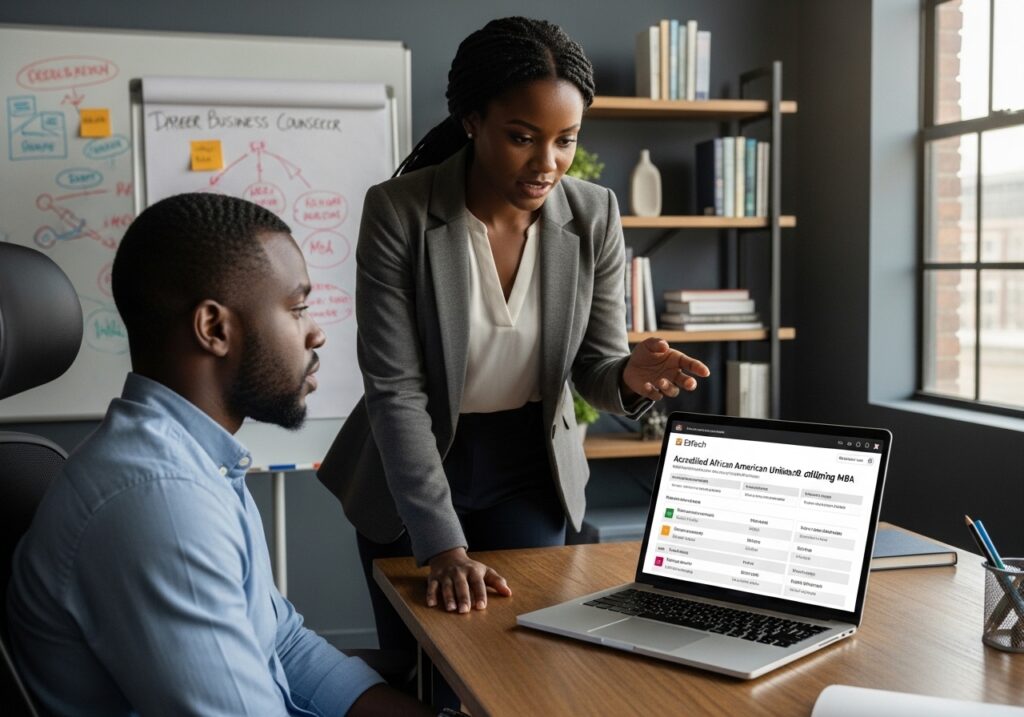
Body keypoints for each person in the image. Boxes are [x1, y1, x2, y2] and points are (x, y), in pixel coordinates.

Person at [318, 14, 709, 669]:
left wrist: (630, 377)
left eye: (565, 141)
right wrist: (442, 546)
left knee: (525, 668)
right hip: (412, 467)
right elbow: (396, 391)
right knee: (423, 673)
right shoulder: (399, 213)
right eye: (523, 137)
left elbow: (593, 366)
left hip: (531, 467)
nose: (547, 164)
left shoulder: (594, 215)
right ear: (473, 120)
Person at [6, 193, 432, 716]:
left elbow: (282, 643)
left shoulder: (196, 461)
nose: (315, 331)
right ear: (214, 329)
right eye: (297, 309)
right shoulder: (159, 501)